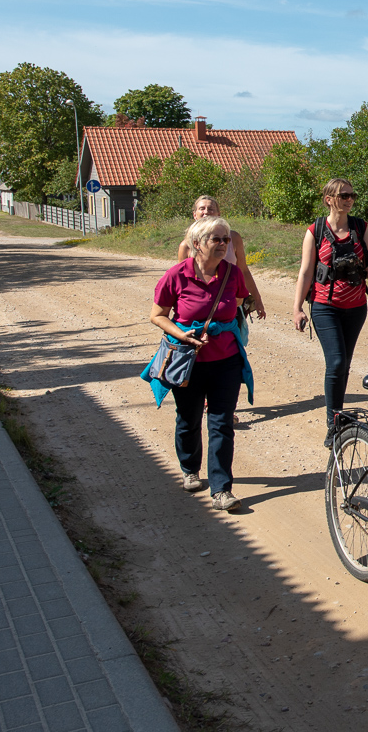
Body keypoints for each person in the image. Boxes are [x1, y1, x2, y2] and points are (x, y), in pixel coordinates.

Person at [147, 216, 254, 511]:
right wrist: (183, 334)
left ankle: (221, 488)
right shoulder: (176, 276)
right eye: (215, 239)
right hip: (188, 362)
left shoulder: (232, 274)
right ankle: (190, 469)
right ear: (197, 244)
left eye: (225, 240)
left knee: (221, 424)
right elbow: (157, 315)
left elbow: (241, 305)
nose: (223, 244)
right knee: (189, 419)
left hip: (226, 360)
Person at [292, 179, 368, 439]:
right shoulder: (315, 230)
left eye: (352, 195)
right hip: (325, 306)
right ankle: (333, 422)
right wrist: (297, 308)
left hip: (356, 306)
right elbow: (305, 272)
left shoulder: (360, 227)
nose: (349, 199)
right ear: (329, 199)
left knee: (344, 363)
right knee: (335, 362)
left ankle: (338, 414)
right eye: (343, 195)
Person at [176, 196, 267, 322]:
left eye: (211, 209)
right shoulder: (186, 246)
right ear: (194, 215)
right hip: (200, 307)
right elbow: (181, 281)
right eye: (202, 208)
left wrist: (257, 299)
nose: (206, 212)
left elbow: (244, 271)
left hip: (230, 303)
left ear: (218, 214)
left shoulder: (232, 239)